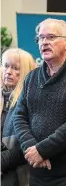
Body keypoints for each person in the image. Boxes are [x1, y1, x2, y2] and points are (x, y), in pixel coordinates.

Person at [13, 18, 66, 186]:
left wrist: (42, 150)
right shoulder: (32, 77)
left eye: (50, 37)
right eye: (40, 38)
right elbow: (19, 116)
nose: (44, 42)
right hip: (37, 170)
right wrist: (33, 149)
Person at [1, 48, 37, 186]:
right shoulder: (2, 96)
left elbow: (29, 146)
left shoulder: (31, 100)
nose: (8, 72)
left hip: (20, 170)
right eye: (6, 66)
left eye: (15, 68)